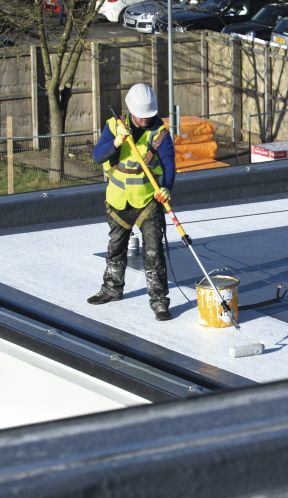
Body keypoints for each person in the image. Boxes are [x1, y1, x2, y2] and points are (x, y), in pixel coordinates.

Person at [88, 83, 176, 321]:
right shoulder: (113, 127)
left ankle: (159, 301)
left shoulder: (160, 134)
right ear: (130, 110)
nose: (145, 120)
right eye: (141, 116)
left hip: (147, 202)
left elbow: (169, 165)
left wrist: (166, 187)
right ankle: (111, 289)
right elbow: (98, 156)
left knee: (153, 252)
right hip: (117, 202)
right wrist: (117, 142)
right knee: (115, 248)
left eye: (149, 116)